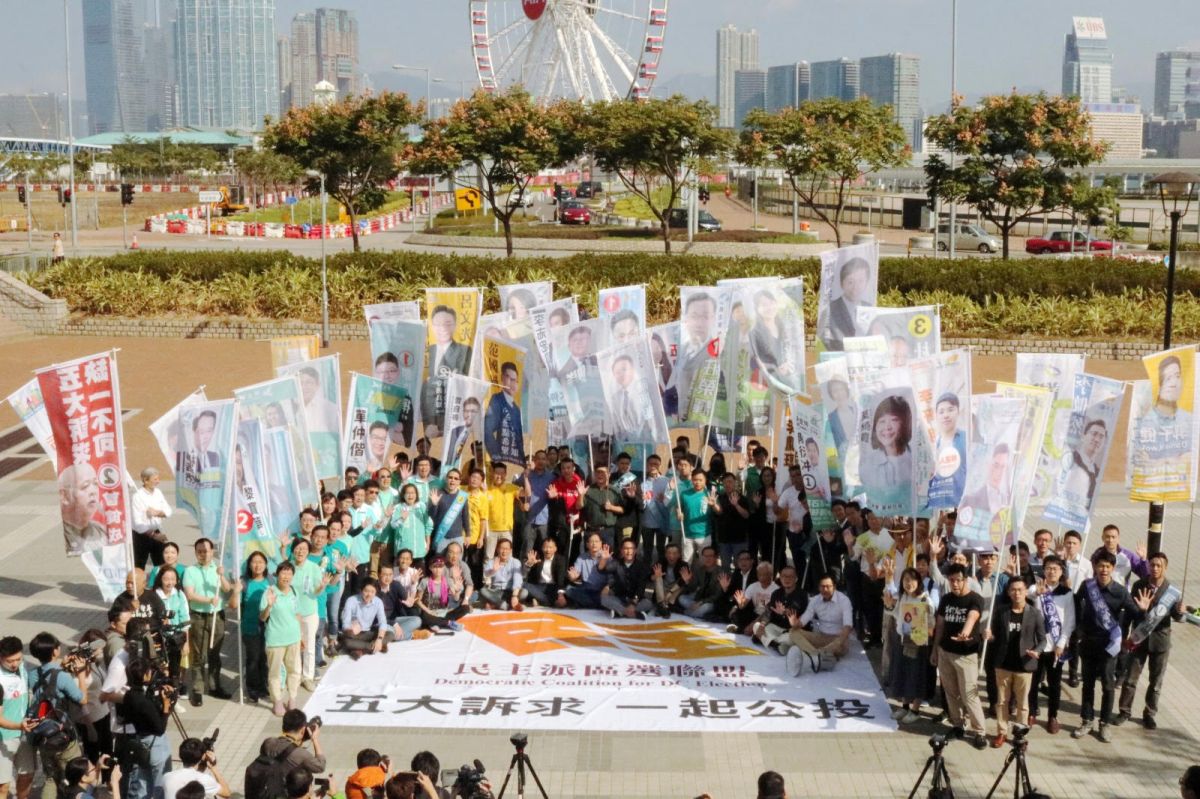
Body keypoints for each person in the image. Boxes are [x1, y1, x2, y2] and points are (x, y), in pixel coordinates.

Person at [1072, 549, 1149, 743]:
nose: (1104, 570)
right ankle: (1087, 720)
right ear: (1095, 567)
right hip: (1089, 643)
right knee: (1087, 685)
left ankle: (1104, 723)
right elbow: (1075, 604)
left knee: (1108, 686)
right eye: (1100, 566)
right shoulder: (1087, 586)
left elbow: (1136, 616)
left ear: (1113, 568)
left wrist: (1143, 610)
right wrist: (1079, 628)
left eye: (1107, 566)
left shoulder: (1120, 592)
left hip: (1109, 646)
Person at [1115, 551, 1183, 730]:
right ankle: (1124, 711)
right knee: (1130, 679)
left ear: (1165, 568)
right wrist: (1125, 634)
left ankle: (1149, 713)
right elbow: (1131, 612)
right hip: (1139, 639)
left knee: (1155, 682)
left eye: (1159, 565)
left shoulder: (1172, 592)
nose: (1155, 568)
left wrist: (1181, 611)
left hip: (1160, 642)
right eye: (1152, 565)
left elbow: (1176, 616)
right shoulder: (1139, 585)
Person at [985, 576, 1046, 748]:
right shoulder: (1002, 611)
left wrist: (1037, 651)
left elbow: (1042, 639)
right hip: (1003, 663)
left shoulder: (1034, 613)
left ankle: (1020, 734)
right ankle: (1001, 733)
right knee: (1002, 701)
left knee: (1022, 704)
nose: (1017, 593)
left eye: (1020, 590)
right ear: (1008, 592)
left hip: (1024, 665)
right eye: (1013, 590)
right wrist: (989, 637)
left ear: (1026, 591)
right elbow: (995, 637)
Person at [932, 563, 988, 749]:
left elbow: (972, 616)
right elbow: (939, 625)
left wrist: (966, 631)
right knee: (950, 692)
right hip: (945, 652)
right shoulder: (946, 599)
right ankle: (957, 725)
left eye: (958, 580)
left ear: (966, 580)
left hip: (966, 656)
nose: (955, 584)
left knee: (969, 694)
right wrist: (935, 650)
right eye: (951, 580)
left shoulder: (975, 598)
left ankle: (980, 731)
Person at [181, 538, 235, 707]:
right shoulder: (190, 571)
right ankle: (197, 690)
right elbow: (190, 594)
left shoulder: (217, 569)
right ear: (196, 553)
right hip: (198, 616)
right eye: (200, 551)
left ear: (212, 552)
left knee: (214, 654)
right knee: (199, 655)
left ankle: (214, 686)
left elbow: (227, 589)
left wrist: (221, 576)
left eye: (207, 551)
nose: (204, 554)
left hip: (217, 616)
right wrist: (208, 599)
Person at [1028, 554, 1075, 735]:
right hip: (1037, 644)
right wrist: (1036, 594)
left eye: (1055, 569)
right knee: (1033, 680)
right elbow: (1026, 594)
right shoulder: (1037, 588)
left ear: (1061, 571)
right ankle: (1031, 712)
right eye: (1048, 568)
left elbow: (1070, 621)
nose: (1051, 571)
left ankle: (1052, 716)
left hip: (1056, 645)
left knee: (1054, 684)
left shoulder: (1067, 593)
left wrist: (1062, 643)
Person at [885, 567, 935, 723]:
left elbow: (931, 620)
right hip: (902, 640)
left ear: (918, 581)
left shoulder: (924, 599)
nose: (909, 583)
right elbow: (894, 614)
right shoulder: (903, 597)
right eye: (906, 580)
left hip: (918, 644)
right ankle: (904, 706)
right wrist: (888, 605)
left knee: (917, 676)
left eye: (912, 580)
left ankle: (915, 709)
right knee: (903, 674)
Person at [118, 657, 173, 798]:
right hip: (155, 744)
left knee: (142, 784)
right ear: (144, 675)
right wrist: (166, 705)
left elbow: (124, 717)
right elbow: (160, 729)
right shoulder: (144, 702)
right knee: (160, 785)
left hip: (139, 741)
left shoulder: (129, 696)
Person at [786, 573, 854, 673]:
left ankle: (815, 655)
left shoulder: (844, 600)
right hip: (821, 637)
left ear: (834, 587)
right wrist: (795, 623)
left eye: (828, 586)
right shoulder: (815, 600)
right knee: (793, 632)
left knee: (840, 645)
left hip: (839, 639)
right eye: (822, 586)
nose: (825, 590)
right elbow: (804, 620)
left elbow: (848, 627)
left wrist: (837, 642)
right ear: (818, 587)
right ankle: (816, 655)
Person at [421, 305, 471, 438]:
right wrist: (428, 423)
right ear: (432, 326)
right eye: (437, 324)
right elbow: (423, 389)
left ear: (455, 326)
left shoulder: (464, 350)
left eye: (448, 324)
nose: (442, 329)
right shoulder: (427, 350)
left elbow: (465, 381)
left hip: (453, 415)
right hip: (431, 419)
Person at [858, 396, 913, 514]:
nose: (887, 427)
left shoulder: (916, 459)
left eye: (894, 420)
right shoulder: (868, 464)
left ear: (904, 423)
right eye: (882, 421)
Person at [261, 561, 303, 715]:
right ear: (277, 574)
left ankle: (292, 699)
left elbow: (297, 614)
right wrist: (269, 606)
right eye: (283, 573)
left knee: (294, 670)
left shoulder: (293, 590)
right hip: (275, 640)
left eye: (289, 573)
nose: (286, 576)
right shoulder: (270, 592)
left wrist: (302, 636)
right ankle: (277, 701)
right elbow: (262, 617)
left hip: (294, 638)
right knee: (275, 672)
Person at [251, 711, 326, 790]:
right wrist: (315, 739)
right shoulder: (301, 754)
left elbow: (285, 748)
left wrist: (300, 739)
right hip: (287, 792)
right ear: (303, 730)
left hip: (267, 788)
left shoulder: (268, 742)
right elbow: (320, 766)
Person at [240, 552, 271, 705]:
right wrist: (235, 591)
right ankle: (252, 688)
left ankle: (264, 686)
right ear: (249, 565)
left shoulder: (271, 581)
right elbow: (234, 605)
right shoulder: (244, 582)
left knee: (264, 658)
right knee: (253, 658)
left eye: (260, 562)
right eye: (254, 562)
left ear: (266, 564)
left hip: (269, 627)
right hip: (250, 625)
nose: (257, 565)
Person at [822, 256, 871, 350]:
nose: (855, 287)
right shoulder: (830, 310)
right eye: (850, 281)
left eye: (860, 281)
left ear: (867, 282)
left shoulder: (870, 308)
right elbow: (823, 342)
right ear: (841, 283)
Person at [339, 579, 395, 660]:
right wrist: (350, 629)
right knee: (347, 642)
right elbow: (345, 622)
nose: (369, 594)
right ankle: (372, 647)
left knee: (390, 634)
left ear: (376, 592)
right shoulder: (351, 600)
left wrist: (379, 639)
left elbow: (383, 622)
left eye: (372, 592)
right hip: (354, 635)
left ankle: (361, 649)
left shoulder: (378, 602)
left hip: (368, 633)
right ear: (361, 590)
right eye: (366, 591)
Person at [59, 463, 108, 555]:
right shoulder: (62, 534)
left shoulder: (102, 531)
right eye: (85, 486)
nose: (93, 491)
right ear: (64, 496)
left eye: (95, 484)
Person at [928, 393, 967, 507]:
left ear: (958, 411)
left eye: (950, 410)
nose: (946, 415)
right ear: (936, 416)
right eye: (941, 412)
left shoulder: (966, 439)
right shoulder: (933, 444)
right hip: (939, 499)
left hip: (962, 500)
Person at [160, 738, 231, 799]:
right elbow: (227, 793)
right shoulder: (205, 780)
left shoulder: (167, 777)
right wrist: (213, 768)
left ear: (180, 755)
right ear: (203, 756)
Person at [130, 467, 172, 569]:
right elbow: (137, 523)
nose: (158, 481)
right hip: (141, 536)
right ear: (145, 480)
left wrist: (158, 513)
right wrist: (154, 535)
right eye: (155, 479)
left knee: (161, 563)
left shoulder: (158, 493)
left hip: (156, 531)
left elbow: (168, 511)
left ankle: (159, 584)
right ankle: (139, 584)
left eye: (158, 479)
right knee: (139, 565)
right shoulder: (137, 497)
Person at [601, 539, 653, 619]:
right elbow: (603, 570)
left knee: (648, 603)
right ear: (621, 550)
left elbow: (641, 587)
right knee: (604, 599)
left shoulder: (641, 566)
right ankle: (634, 614)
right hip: (620, 598)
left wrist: (633, 603)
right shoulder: (616, 563)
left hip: (636, 599)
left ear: (635, 550)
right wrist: (604, 559)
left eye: (631, 548)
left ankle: (619, 613)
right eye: (626, 548)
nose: (629, 551)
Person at [415, 557, 470, 632]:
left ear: (443, 568)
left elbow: (456, 599)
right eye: (435, 567)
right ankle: (448, 623)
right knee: (425, 617)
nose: (438, 570)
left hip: (444, 612)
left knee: (466, 608)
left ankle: (436, 623)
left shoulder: (448, 580)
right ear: (430, 568)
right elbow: (418, 601)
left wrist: (457, 591)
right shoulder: (425, 581)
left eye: (440, 567)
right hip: (430, 612)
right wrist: (429, 611)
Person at [484, 363, 524, 463]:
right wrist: (496, 455)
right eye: (509, 378)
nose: (512, 383)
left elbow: (518, 437)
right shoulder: (496, 400)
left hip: (512, 457)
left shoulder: (516, 409)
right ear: (502, 378)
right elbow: (487, 429)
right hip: (498, 458)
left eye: (515, 380)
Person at [1064, 418, 1107, 508]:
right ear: (1083, 437)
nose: (1097, 440)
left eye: (1101, 437)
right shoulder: (1071, 459)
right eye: (1094, 434)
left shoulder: (1098, 472)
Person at [565, 533, 611, 609]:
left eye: (596, 541)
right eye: (591, 541)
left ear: (601, 543)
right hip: (586, 589)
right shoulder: (582, 557)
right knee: (568, 589)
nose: (594, 544)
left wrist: (607, 587)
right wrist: (572, 577)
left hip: (601, 590)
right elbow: (574, 573)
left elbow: (612, 579)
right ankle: (595, 605)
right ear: (587, 544)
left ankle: (587, 604)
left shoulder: (606, 556)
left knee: (608, 596)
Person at [429, 471, 470, 555]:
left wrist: (468, 534)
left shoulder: (462, 496)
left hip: (457, 537)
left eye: (456, 479)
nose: (452, 480)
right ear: (446, 479)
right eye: (450, 477)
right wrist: (434, 505)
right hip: (441, 537)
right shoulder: (438, 494)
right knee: (440, 563)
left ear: (459, 481)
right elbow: (432, 517)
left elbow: (465, 517)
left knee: (456, 563)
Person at [484, 464, 520, 560]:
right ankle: (487, 575)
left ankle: (506, 575)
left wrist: (526, 476)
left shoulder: (511, 488)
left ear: (505, 474)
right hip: (491, 530)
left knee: (507, 558)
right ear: (492, 474)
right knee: (488, 557)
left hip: (507, 530)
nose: (499, 476)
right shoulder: (486, 489)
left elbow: (526, 494)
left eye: (502, 473)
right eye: (496, 473)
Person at [479, 540, 527, 611]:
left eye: (506, 549)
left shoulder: (516, 562)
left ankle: (495, 604)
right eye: (501, 548)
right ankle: (505, 605)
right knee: (482, 591)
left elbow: (518, 580)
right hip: (496, 592)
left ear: (510, 550)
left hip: (510, 591)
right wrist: (493, 570)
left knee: (524, 592)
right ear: (497, 549)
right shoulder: (491, 562)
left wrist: (514, 595)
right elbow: (485, 574)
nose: (504, 551)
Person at [677, 471, 713, 564]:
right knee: (686, 562)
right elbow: (678, 508)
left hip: (704, 535)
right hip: (687, 535)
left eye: (700, 480)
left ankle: (700, 578)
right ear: (692, 480)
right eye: (695, 480)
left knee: (704, 563)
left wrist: (714, 505)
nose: (697, 482)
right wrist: (679, 513)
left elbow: (719, 511)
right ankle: (686, 578)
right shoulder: (684, 494)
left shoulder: (710, 494)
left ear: (705, 481)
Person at [679, 547, 723, 621]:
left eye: (710, 556)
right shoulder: (700, 570)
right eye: (705, 556)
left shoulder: (721, 572)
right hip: (698, 598)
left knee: (705, 607)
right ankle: (696, 613)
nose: (707, 559)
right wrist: (687, 581)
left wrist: (701, 602)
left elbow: (717, 596)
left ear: (715, 557)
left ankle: (685, 614)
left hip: (711, 602)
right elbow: (692, 588)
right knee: (682, 598)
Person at [523, 537, 568, 608]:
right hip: (539, 586)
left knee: (566, 592)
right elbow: (526, 575)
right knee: (523, 584)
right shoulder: (537, 557)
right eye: (545, 547)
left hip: (553, 587)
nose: (548, 550)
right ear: (542, 548)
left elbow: (561, 579)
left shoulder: (560, 559)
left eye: (550, 547)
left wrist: (561, 595)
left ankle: (539, 600)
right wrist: (529, 564)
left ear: (555, 549)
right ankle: (548, 602)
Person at [296, 367, 340, 435]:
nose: (303, 387)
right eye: (301, 383)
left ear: (317, 385)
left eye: (308, 382)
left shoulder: (330, 408)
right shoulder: (293, 409)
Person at [443, 397, 480, 472]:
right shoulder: (454, 431)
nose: (469, 415)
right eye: (466, 411)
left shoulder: (481, 434)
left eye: (473, 411)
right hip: (450, 471)